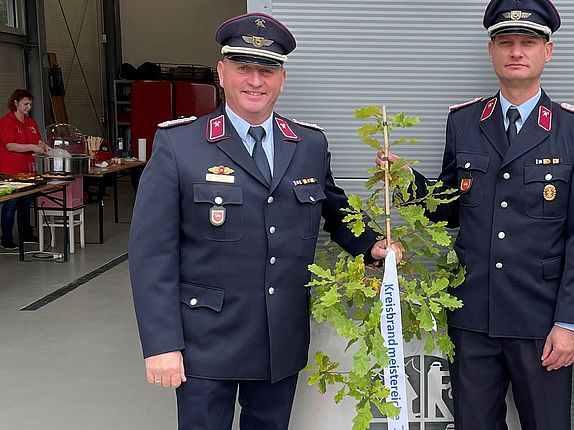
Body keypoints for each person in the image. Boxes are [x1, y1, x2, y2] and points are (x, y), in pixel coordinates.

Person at [128, 13, 400, 430]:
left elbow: (334, 207)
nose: (255, 80)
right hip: (205, 341)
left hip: (279, 336)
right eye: (243, 67)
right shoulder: (180, 145)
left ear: (282, 79)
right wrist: (162, 344)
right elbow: (152, 255)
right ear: (222, 72)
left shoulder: (308, 144)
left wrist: (373, 246)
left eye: (267, 69)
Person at [377, 1, 574, 427]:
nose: (516, 51)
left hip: (542, 319)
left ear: (547, 52)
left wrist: (572, 321)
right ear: (491, 51)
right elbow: (449, 208)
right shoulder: (464, 122)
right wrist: (406, 180)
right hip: (474, 314)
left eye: (528, 42)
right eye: (506, 42)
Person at [0, 89, 47, 249]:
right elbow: (10, 145)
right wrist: (32, 146)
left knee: (26, 202)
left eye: (30, 104)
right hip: (10, 170)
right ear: (15, 103)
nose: (28, 107)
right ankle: (6, 237)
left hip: (28, 170)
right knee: (10, 204)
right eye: (25, 104)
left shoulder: (31, 122)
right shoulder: (7, 121)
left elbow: (38, 139)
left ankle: (25, 233)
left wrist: (44, 146)